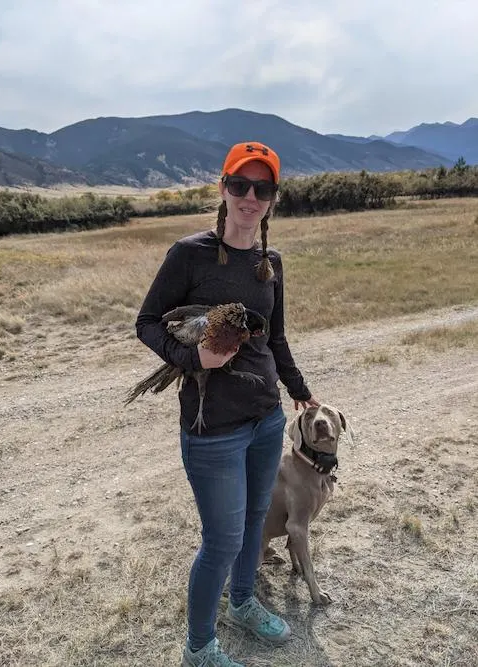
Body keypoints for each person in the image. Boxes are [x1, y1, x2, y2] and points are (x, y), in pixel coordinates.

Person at [135, 141, 320, 667]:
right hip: (212, 428)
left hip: (266, 420)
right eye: (239, 185)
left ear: (272, 200)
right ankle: (198, 648)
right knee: (221, 539)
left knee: (257, 517)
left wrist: (299, 389)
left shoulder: (271, 263)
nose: (249, 196)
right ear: (223, 189)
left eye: (262, 188)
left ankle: (242, 603)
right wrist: (192, 358)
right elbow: (146, 323)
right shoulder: (188, 254)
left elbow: (275, 339)